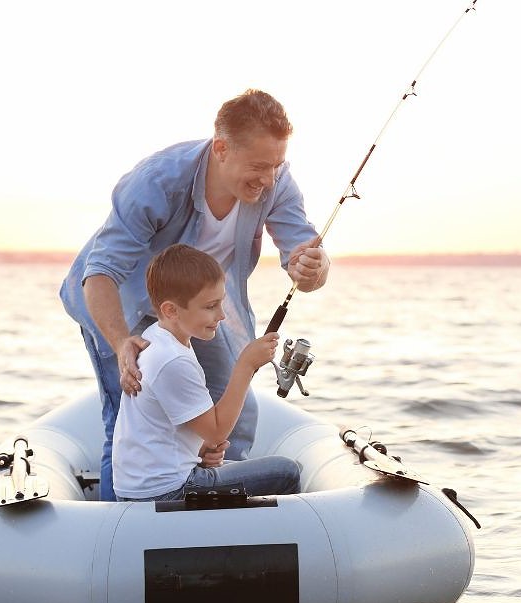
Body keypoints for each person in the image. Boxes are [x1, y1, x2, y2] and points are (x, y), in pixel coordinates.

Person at [60, 89, 329, 501]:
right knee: (124, 417)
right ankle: (122, 532)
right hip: (120, 303)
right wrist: (120, 344)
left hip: (198, 307)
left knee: (233, 415)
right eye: (258, 166)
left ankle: (215, 521)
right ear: (221, 149)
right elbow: (101, 274)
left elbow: (305, 255)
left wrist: (311, 269)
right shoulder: (156, 182)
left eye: (276, 165)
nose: (268, 179)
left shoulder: (276, 183)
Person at [112, 244, 300, 502]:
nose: (221, 315)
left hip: (148, 485)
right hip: (167, 491)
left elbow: (166, 427)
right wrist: (246, 364)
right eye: (211, 306)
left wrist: (200, 451)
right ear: (171, 310)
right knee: (286, 472)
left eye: (221, 302)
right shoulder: (172, 359)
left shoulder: (158, 337)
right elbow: (217, 432)